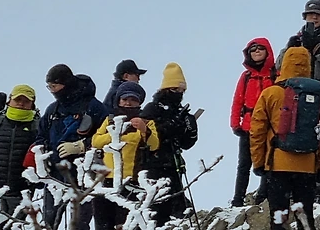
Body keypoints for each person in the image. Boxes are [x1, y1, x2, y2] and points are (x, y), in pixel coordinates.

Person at [252, 48, 320, 230]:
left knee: (279, 217)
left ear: (284, 64)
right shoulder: (319, 95)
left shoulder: (271, 93)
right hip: (307, 165)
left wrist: (258, 162)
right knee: (305, 217)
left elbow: (257, 132)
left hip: (277, 165)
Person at [36, 64, 109, 230]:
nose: (52, 91)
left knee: (79, 223)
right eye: (49, 87)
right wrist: (41, 157)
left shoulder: (94, 107)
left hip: (83, 174)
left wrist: (83, 145)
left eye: (54, 86)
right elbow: (41, 135)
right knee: (49, 221)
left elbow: (107, 136)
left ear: (66, 84)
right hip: (55, 173)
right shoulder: (52, 110)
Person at [92, 82, 160, 230]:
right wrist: (116, 134)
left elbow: (154, 145)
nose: (128, 103)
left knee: (126, 224)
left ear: (139, 102)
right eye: (125, 99)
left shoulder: (147, 122)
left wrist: (144, 130)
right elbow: (96, 141)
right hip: (106, 180)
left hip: (132, 182)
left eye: (133, 100)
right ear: (118, 100)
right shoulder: (110, 120)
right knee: (103, 225)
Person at [141, 63, 199, 225]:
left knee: (178, 206)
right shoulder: (152, 109)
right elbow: (144, 136)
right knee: (157, 209)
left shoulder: (181, 113)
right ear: (166, 89)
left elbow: (185, 144)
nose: (179, 94)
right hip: (153, 166)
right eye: (175, 89)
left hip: (174, 166)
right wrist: (169, 126)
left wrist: (191, 132)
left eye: (182, 91)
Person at [0, 85, 40, 215]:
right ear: (9, 100)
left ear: (32, 104)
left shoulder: (37, 126)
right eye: (18, 99)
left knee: (18, 223)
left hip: (21, 191)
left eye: (26, 101)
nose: (21, 104)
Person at [230, 38, 276, 207]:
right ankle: (238, 199)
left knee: (268, 162)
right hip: (248, 127)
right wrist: (235, 123)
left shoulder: (275, 74)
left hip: (269, 126)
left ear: (267, 51)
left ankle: (262, 197)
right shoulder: (246, 76)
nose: (256, 51)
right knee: (244, 164)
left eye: (260, 48)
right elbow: (237, 101)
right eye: (253, 49)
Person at [277, 0, 320, 93]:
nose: (314, 17)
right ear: (305, 17)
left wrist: (316, 47)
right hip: (298, 88)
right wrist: (289, 50)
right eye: (310, 14)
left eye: (319, 14)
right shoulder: (298, 38)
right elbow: (279, 65)